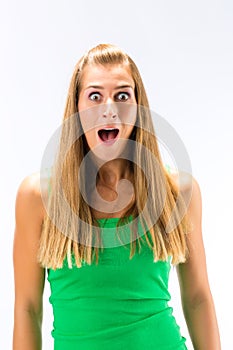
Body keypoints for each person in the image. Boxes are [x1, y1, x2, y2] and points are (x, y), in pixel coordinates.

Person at [13, 43, 221, 350]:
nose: (109, 107)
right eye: (95, 96)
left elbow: (198, 297)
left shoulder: (179, 192)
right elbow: (28, 308)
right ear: (77, 108)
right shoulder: (39, 197)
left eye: (122, 95)